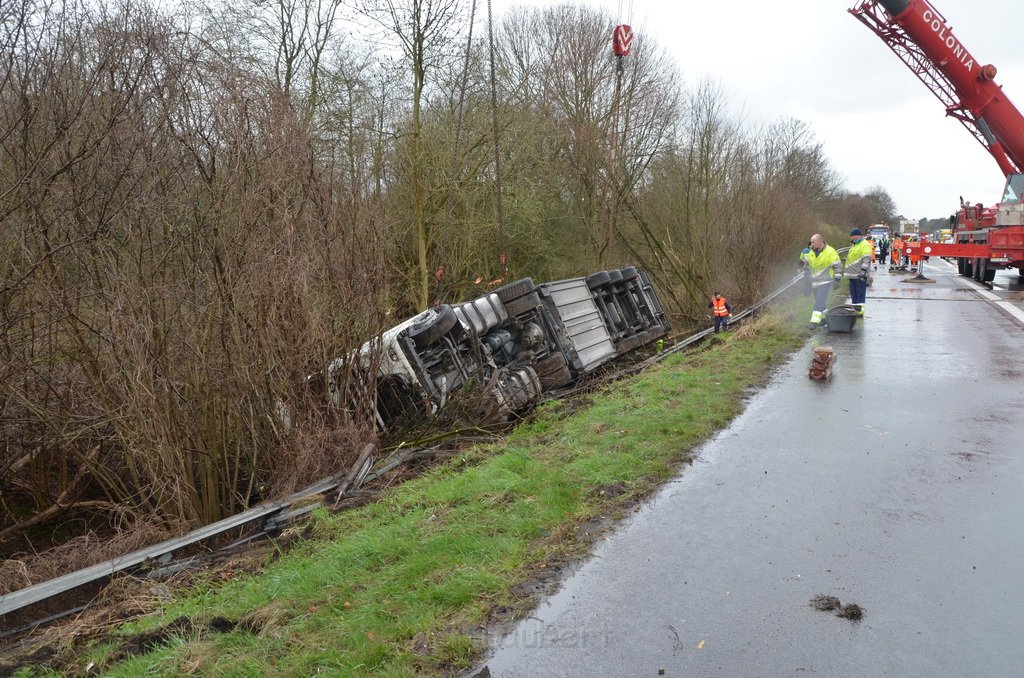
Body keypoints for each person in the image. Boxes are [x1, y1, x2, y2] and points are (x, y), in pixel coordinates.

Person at [805, 233, 842, 330]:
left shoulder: (830, 252)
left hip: (826, 281)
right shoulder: (812, 251)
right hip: (815, 281)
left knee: (819, 302)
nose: (811, 244)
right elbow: (808, 260)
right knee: (821, 303)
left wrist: (837, 279)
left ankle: (814, 321)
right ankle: (825, 319)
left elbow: (837, 266)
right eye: (811, 242)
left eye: (813, 242)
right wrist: (802, 263)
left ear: (820, 242)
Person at [845, 228, 873, 316]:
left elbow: (867, 258)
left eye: (852, 236)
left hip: (859, 274)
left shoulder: (864, 245)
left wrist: (863, 271)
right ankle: (855, 310)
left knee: (860, 293)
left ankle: (860, 312)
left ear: (857, 236)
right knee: (854, 294)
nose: (851, 237)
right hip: (853, 274)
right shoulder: (855, 245)